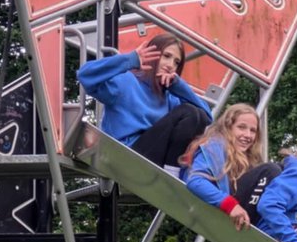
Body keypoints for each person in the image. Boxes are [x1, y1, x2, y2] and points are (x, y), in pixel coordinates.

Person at [77, 33, 212, 165]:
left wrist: (179, 86)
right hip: (125, 154)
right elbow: (85, 76)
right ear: (152, 55)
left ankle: (172, 171)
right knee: (189, 111)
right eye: (166, 56)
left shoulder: (169, 97)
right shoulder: (126, 81)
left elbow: (206, 118)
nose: (171, 65)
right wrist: (130, 60)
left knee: (195, 114)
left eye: (176, 62)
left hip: (155, 156)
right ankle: (173, 170)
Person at [180, 104, 265, 231]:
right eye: (241, 127)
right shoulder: (214, 146)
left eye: (253, 130)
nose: (248, 135)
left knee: (277, 171)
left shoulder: (249, 160)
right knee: (269, 170)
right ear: (228, 127)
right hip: (226, 206)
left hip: (243, 209)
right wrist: (230, 205)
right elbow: (195, 181)